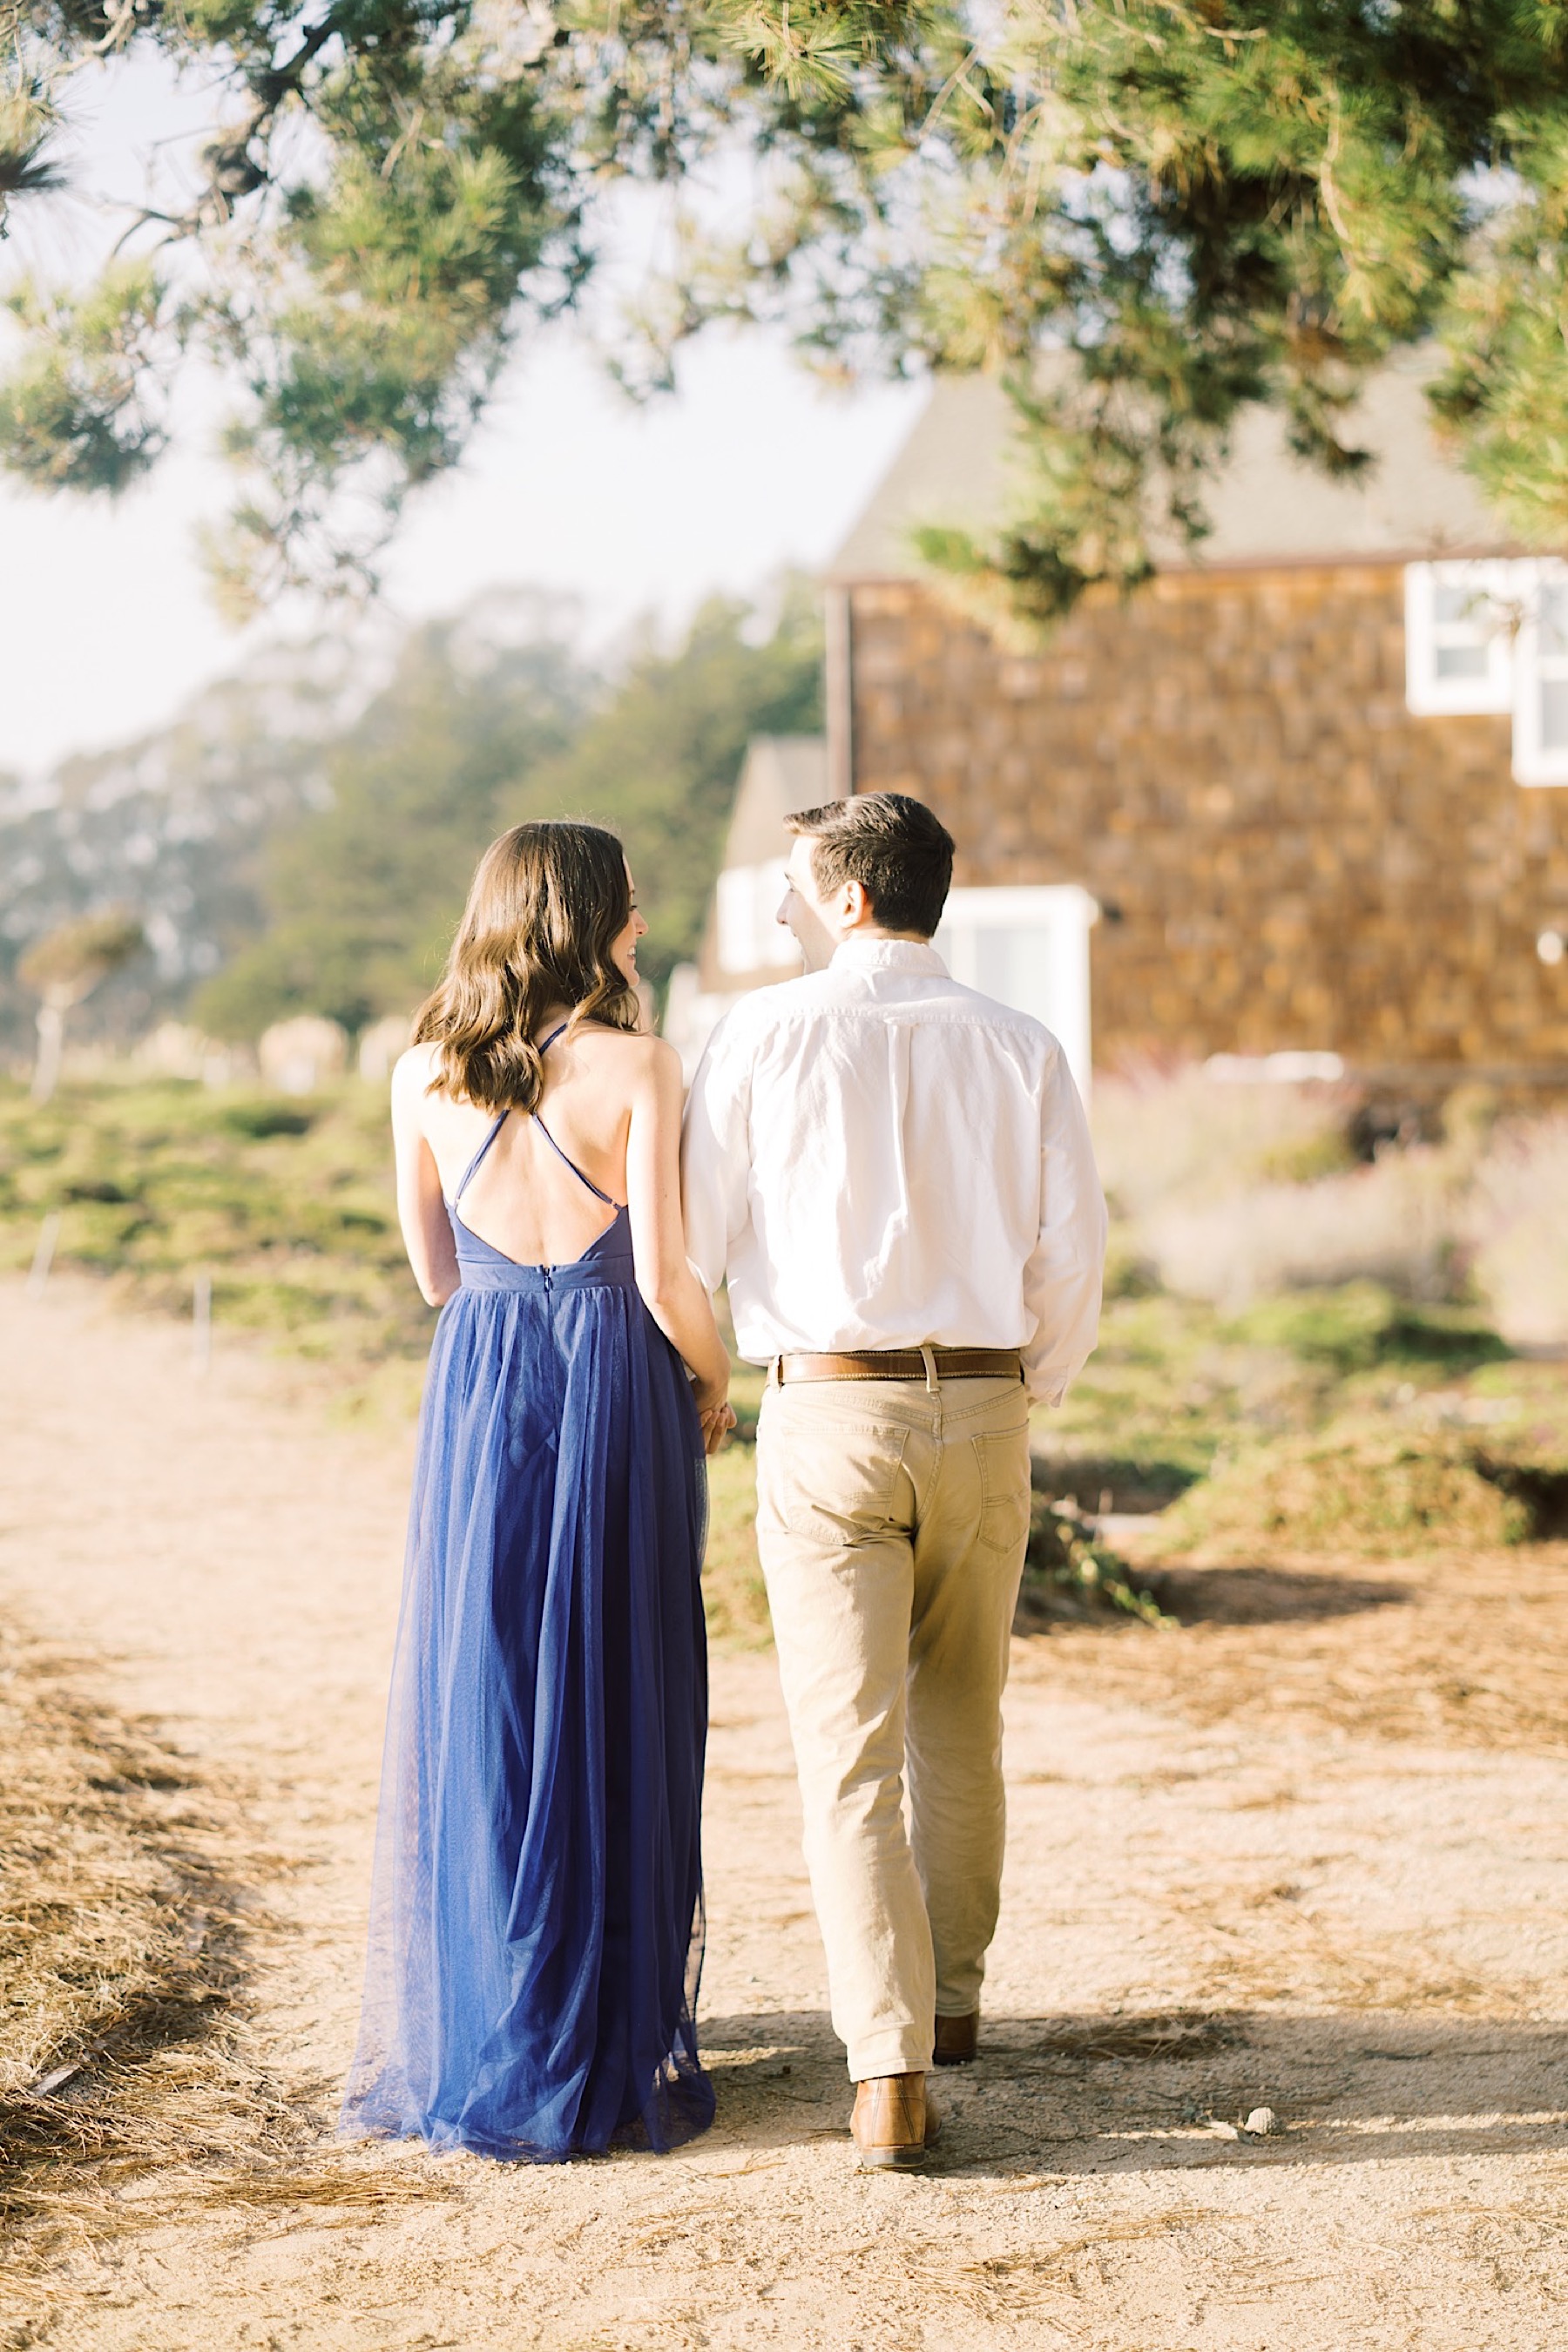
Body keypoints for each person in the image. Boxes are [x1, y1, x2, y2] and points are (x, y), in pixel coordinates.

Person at [681, 793, 1106, 2171]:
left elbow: (702, 1239)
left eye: (801, 890)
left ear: (852, 897)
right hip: (984, 1401)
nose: (793, 911)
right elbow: (1073, 1258)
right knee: (963, 1724)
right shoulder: (1024, 1044)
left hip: (832, 1407)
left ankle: (888, 2070)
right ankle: (959, 2003)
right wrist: (1022, 1386)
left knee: (846, 1751)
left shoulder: (760, 1031)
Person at [342, 821, 734, 2162]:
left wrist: (514, 1314)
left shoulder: (420, 1074)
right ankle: (607, 2023)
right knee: (619, 1686)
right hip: (617, 1381)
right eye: (629, 903)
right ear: (585, 918)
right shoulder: (641, 1063)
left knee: (495, 1688)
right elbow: (672, 1282)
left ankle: (499, 2013)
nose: (642, 919)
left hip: (485, 1387)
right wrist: (721, 1379)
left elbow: (433, 1273)